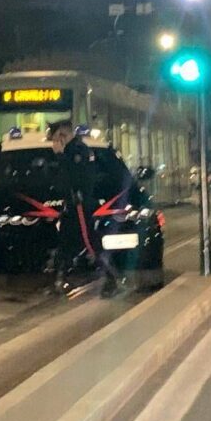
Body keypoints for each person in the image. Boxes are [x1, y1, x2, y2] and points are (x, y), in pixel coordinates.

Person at [49, 121, 121, 297]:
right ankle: (60, 279)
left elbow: (73, 178)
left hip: (80, 206)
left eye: (56, 137)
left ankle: (111, 278)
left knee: (91, 243)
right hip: (71, 207)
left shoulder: (77, 152)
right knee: (65, 243)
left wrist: (59, 156)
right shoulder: (73, 151)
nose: (54, 142)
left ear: (63, 135)